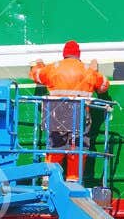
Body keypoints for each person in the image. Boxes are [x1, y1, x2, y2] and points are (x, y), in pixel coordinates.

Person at [28, 41, 109, 181]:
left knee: (55, 148)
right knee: (77, 150)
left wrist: (39, 64)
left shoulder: (53, 68)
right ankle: (73, 182)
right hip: (80, 116)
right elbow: (103, 86)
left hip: (56, 116)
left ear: (64, 54)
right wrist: (94, 71)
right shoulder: (87, 70)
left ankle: (49, 182)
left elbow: (36, 75)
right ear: (78, 55)